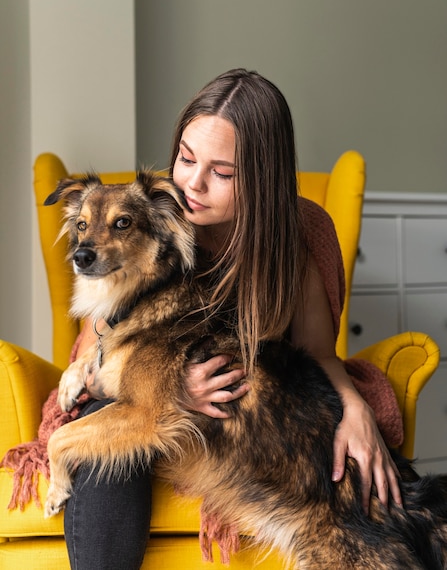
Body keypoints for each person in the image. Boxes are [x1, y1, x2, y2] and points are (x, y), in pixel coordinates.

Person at [55, 69, 402, 568]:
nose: (192, 184)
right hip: (139, 396)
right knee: (101, 445)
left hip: (235, 424)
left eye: (222, 172)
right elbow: (100, 350)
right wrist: (171, 393)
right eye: (186, 158)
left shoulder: (299, 235)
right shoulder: (155, 217)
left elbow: (319, 353)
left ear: (261, 177)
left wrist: (355, 409)